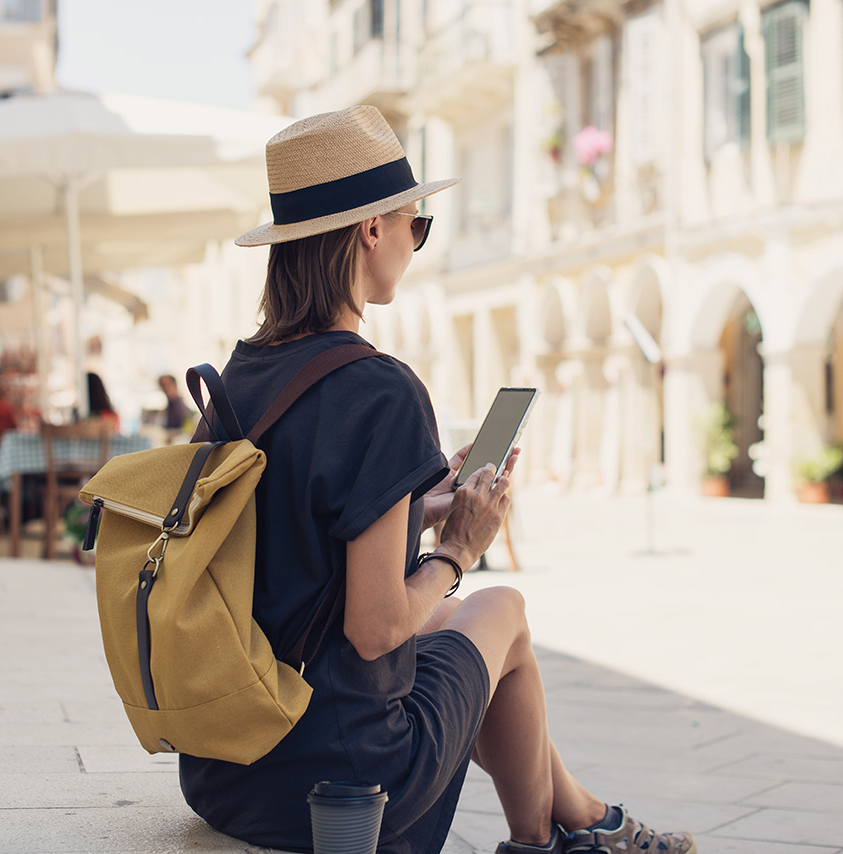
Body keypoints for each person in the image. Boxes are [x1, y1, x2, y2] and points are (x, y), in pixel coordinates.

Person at [179, 106, 695, 854]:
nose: (416, 244)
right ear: (372, 231)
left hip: (229, 770)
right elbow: (376, 626)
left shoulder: (238, 377)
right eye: (415, 225)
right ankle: (545, 837)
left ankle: (580, 820)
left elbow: (291, 534)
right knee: (501, 609)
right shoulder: (380, 388)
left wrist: (411, 505)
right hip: (344, 785)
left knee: (457, 629)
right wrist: (457, 547)